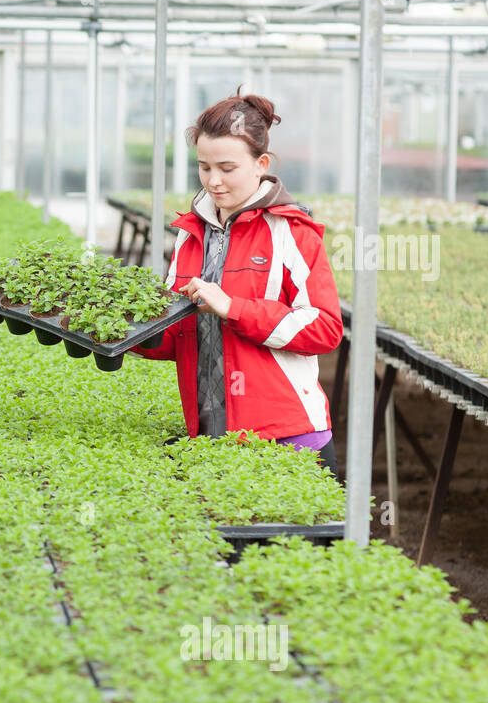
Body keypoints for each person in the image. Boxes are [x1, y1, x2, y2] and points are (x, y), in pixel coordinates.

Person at [129, 87, 343, 477]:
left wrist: (234, 308)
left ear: (261, 163)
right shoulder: (189, 231)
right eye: (204, 167)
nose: (213, 181)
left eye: (227, 169)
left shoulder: (290, 232)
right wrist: (126, 333)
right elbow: (178, 336)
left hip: (288, 440)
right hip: (212, 438)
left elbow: (325, 329)